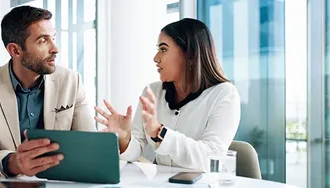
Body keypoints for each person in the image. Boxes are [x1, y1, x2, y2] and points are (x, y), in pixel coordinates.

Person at [0, 5, 96, 177]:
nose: (55, 49)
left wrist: (119, 141)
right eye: (43, 40)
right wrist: (15, 163)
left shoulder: (72, 81)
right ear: (15, 50)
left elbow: (89, 147)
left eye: (53, 38)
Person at [95, 18, 241, 171]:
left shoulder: (224, 94)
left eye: (163, 49)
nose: (156, 58)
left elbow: (211, 158)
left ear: (190, 55)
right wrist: (124, 137)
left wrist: (161, 132)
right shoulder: (152, 92)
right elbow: (136, 151)